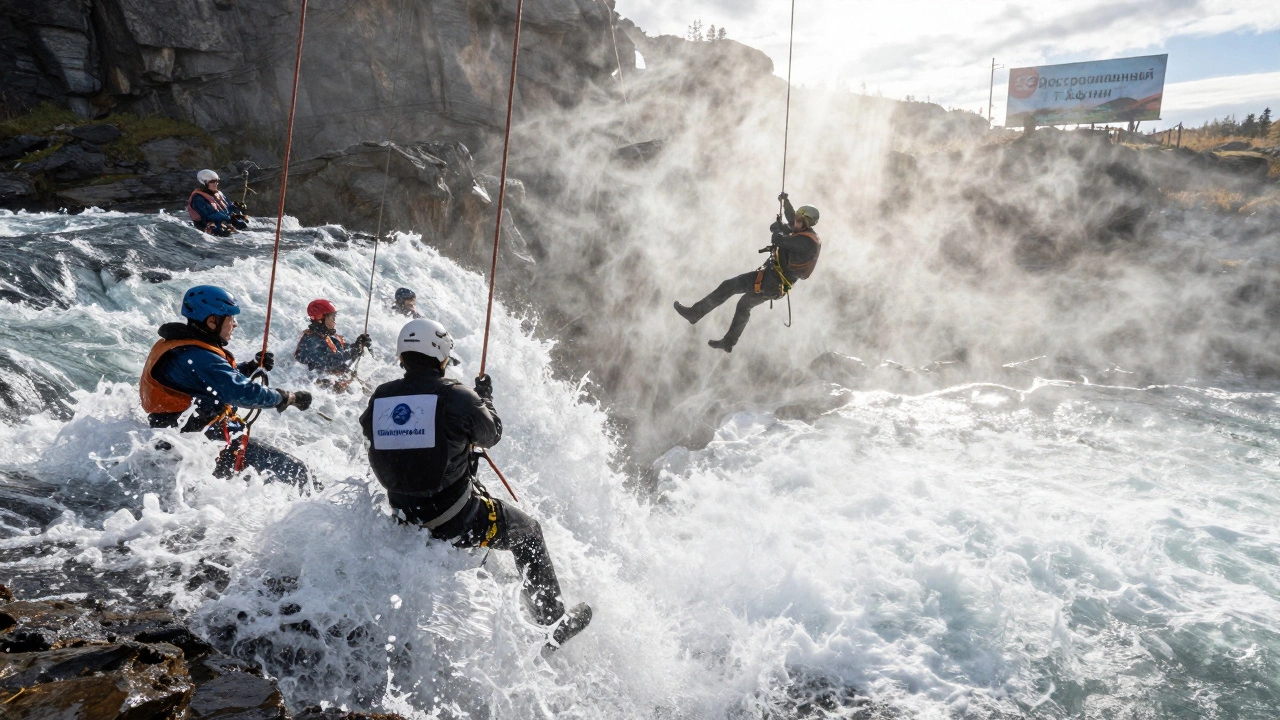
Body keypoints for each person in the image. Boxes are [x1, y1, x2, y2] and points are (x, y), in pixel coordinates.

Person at [360, 319, 591, 649]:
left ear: (402, 356)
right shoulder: (456, 397)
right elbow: (491, 434)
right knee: (529, 533)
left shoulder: (381, 398)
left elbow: (376, 435)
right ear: (441, 355)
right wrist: (484, 397)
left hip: (406, 518)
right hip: (454, 519)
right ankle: (551, 625)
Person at [140, 285, 314, 487]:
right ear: (212, 321)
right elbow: (240, 392)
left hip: (187, 442)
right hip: (208, 445)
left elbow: (209, 380)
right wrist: (285, 398)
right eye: (230, 318)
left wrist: (250, 367)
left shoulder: (179, 348)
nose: (235, 324)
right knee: (299, 472)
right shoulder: (198, 356)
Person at [674, 193, 821, 352]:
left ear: (806, 223)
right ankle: (729, 342)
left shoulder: (806, 242)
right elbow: (792, 220)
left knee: (729, 286)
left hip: (770, 281)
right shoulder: (804, 232)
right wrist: (786, 202)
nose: (795, 222)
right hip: (774, 287)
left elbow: (779, 240)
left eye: (800, 220)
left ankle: (695, 314)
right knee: (744, 305)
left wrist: (778, 230)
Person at [294, 299, 372, 377]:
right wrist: (352, 352)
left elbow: (343, 351)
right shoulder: (311, 341)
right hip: (313, 383)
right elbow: (329, 363)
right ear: (320, 319)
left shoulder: (328, 337)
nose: (334, 321)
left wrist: (358, 345)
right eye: (332, 317)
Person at [187, 169, 248, 237]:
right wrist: (229, 219)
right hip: (208, 225)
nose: (215, 184)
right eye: (212, 182)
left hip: (224, 221)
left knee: (243, 226)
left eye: (216, 181)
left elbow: (228, 206)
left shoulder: (219, 194)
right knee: (224, 232)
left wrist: (238, 207)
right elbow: (210, 215)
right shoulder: (198, 198)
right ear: (205, 183)